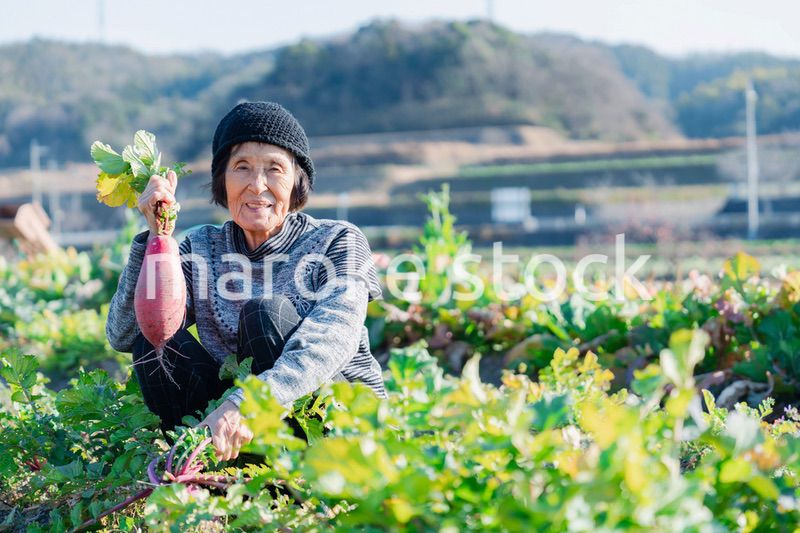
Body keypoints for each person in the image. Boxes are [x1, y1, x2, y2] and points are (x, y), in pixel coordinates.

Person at [106, 101, 387, 460]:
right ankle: (210, 468)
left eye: (274, 169)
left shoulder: (338, 241)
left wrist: (247, 404)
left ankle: (296, 478)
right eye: (241, 168)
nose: (257, 186)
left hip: (340, 431)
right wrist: (156, 237)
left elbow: (332, 341)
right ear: (222, 180)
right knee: (153, 344)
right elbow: (125, 334)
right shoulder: (201, 248)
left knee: (265, 314)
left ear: (297, 181)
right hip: (238, 426)